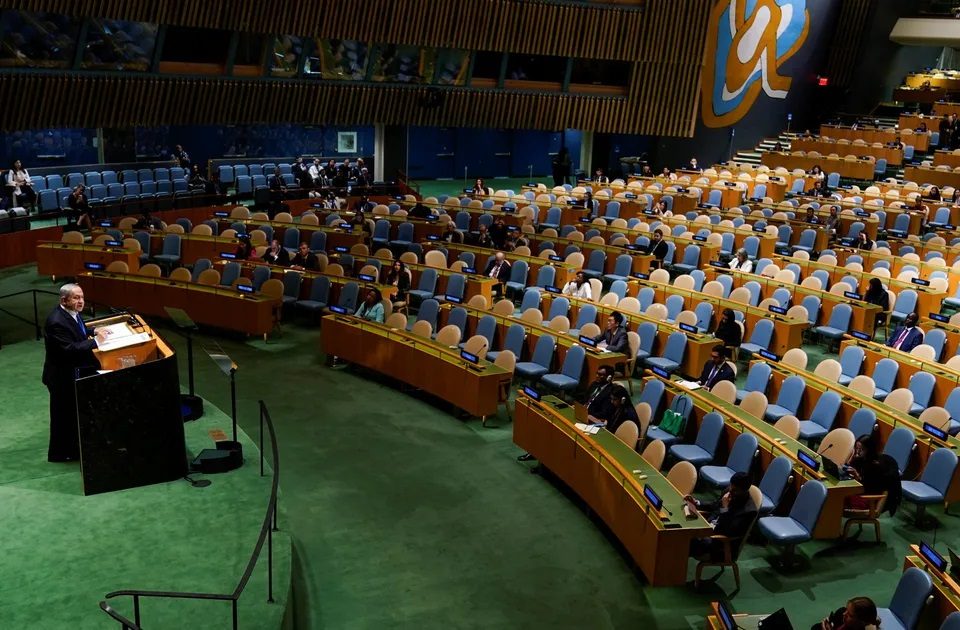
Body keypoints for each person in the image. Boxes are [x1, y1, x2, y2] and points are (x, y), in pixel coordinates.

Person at [42, 284, 108, 462]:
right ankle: (60, 454)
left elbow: (77, 332)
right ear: (64, 300)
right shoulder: (56, 321)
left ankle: (73, 449)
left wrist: (92, 331)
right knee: (63, 416)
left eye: (82, 297)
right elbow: (69, 348)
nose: (81, 302)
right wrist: (95, 342)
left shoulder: (70, 314)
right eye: (76, 298)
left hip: (70, 372)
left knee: (71, 414)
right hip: (60, 377)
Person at [686, 472, 757, 561]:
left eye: (735, 490)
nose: (730, 490)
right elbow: (714, 505)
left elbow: (728, 530)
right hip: (709, 529)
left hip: (720, 543)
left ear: (744, 490)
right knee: (683, 532)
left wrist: (725, 508)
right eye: (731, 485)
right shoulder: (729, 491)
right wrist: (696, 502)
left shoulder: (749, 511)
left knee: (687, 542)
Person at [842, 435, 902, 514]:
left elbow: (869, 488)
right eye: (857, 448)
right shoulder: (860, 459)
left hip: (868, 498)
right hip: (859, 493)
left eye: (861, 449)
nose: (858, 451)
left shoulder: (876, 466)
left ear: (869, 450)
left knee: (838, 499)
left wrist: (857, 476)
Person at [815, 597, 880, 630]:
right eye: (846, 610)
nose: (844, 614)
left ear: (861, 622)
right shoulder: (840, 614)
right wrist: (823, 626)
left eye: (850, 615)